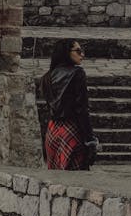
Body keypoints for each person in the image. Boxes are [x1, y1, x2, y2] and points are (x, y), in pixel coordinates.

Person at [41, 38, 98, 170]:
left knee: (55, 178)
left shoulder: (46, 77)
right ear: (67, 53)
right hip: (71, 130)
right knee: (76, 177)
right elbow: (81, 109)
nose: (82, 54)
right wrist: (90, 140)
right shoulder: (77, 74)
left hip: (52, 132)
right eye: (78, 51)